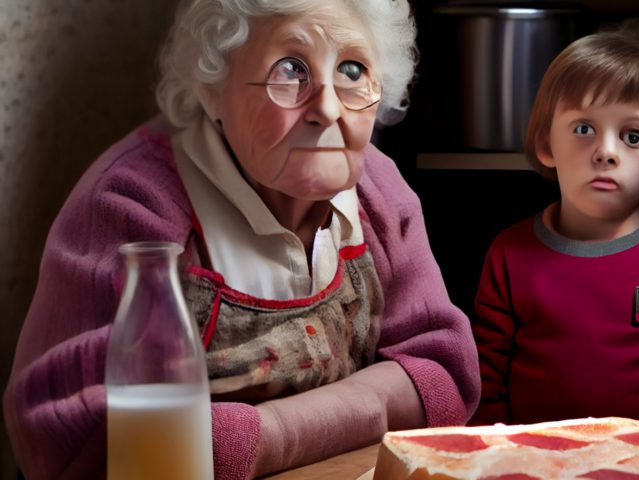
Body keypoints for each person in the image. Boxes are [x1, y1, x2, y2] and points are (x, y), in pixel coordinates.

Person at [3, 0, 480, 478]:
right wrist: (372, 401)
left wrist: (247, 434)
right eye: (292, 69)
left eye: (352, 70)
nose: (329, 108)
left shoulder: (378, 190)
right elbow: (86, 441)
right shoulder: (133, 203)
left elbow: (446, 379)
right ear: (212, 87)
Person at [470, 32, 639, 445]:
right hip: (535, 463)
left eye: (633, 136)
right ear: (546, 144)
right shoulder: (508, 253)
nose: (606, 152)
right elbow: (484, 377)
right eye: (583, 128)